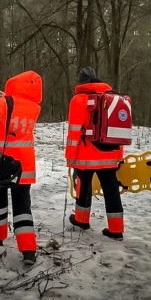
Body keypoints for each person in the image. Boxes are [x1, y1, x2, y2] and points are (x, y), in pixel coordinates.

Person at [0, 70, 42, 265]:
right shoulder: (34, 107)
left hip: (0, 164)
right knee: (23, 206)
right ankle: (28, 250)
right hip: (24, 166)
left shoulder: (2, 103)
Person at [65, 67, 125, 240]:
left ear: (81, 82)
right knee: (111, 190)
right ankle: (116, 229)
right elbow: (118, 130)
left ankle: (81, 220)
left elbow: (74, 131)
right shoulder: (113, 98)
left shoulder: (78, 100)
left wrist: (70, 156)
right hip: (110, 154)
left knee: (83, 187)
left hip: (86, 156)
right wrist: (118, 155)